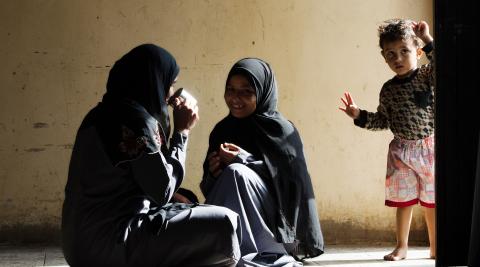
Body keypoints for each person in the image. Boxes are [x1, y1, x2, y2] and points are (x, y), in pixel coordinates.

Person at [61, 44, 241, 267]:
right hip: (109, 244)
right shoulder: (135, 122)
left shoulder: (99, 114)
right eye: (169, 85)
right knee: (224, 224)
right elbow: (163, 190)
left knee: (186, 201)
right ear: (154, 82)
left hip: (78, 244)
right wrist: (182, 132)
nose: (170, 95)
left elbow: (142, 180)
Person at [201, 58, 324, 266]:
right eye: (230, 90)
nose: (235, 98)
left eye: (246, 91)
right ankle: (228, 249)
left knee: (237, 172)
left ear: (263, 92)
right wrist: (213, 175)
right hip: (235, 225)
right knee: (233, 174)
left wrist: (244, 160)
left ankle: (249, 254)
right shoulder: (222, 130)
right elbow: (210, 192)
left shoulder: (282, 131)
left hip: (279, 229)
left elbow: (292, 186)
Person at [339, 19, 435, 261]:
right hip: (401, 152)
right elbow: (383, 120)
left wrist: (427, 38)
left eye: (405, 51)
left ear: (418, 52)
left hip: (429, 149)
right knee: (403, 201)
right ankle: (401, 246)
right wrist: (359, 115)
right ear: (384, 58)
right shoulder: (388, 90)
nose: (398, 59)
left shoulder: (427, 76)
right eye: (391, 54)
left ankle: (436, 247)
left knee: (432, 203)